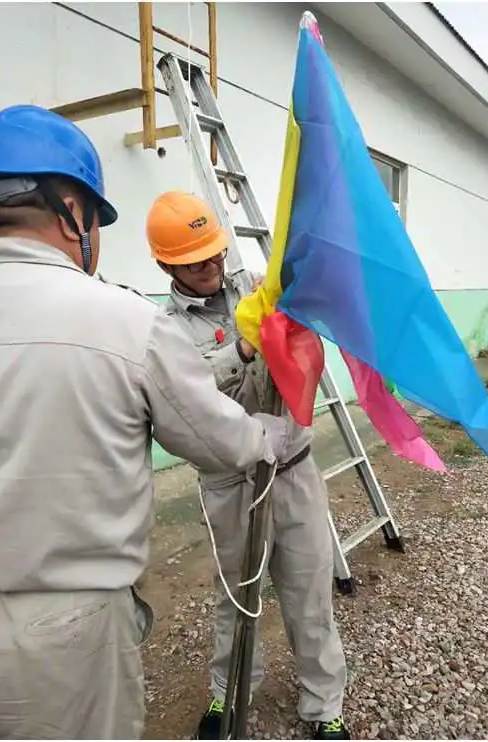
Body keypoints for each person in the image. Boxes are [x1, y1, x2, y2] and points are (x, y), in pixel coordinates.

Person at [0, 106, 291, 741]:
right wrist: (271, 433)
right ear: (72, 211)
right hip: (63, 633)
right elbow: (222, 440)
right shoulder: (128, 322)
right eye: (97, 222)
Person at [147, 191, 350, 741]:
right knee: (237, 595)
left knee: (309, 591)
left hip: (292, 469)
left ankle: (324, 705)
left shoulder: (257, 288)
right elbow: (184, 392)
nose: (211, 265)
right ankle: (228, 692)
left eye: (214, 253)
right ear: (167, 266)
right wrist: (241, 347)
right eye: (195, 261)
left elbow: (306, 324)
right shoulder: (163, 329)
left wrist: (295, 291)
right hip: (231, 481)